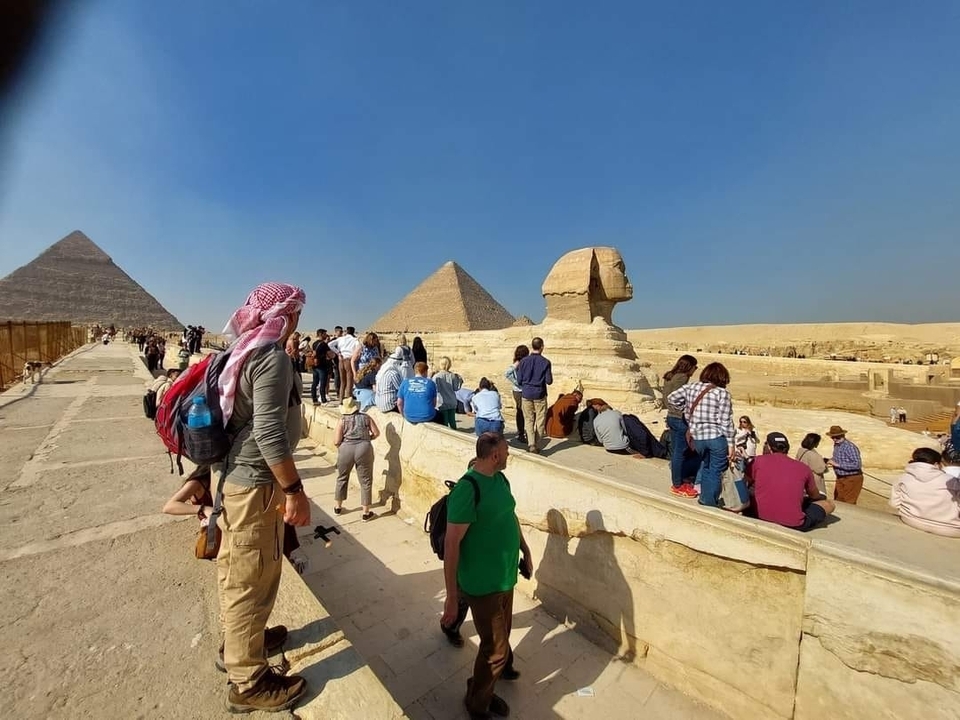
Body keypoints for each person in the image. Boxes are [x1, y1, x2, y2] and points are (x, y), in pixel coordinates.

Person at [215, 282, 311, 714]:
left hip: (236, 478)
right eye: (297, 313)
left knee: (240, 570)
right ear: (287, 315)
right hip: (256, 485)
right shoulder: (270, 358)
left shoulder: (240, 350)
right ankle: (248, 680)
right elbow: (270, 433)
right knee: (251, 575)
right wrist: (294, 490)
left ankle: (242, 642)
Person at [442, 433, 532, 720]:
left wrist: (525, 550)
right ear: (494, 456)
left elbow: (510, 515)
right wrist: (452, 598)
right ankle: (476, 702)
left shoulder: (500, 480)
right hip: (482, 584)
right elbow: (452, 545)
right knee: (495, 650)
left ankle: (486, 681)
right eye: (506, 452)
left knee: (500, 638)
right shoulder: (468, 489)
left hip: (505, 576)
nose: (508, 456)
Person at [667, 362, 735, 507]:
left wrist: (686, 411)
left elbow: (671, 398)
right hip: (716, 437)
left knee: (705, 465)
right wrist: (731, 444)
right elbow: (726, 420)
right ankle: (708, 502)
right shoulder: (722, 393)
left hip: (697, 438)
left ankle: (704, 496)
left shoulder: (691, 387)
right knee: (715, 471)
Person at [746, 432, 835, 532]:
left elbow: (747, 481)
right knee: (829, 504)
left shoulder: (757, 461)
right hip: (794, 523)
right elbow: (814, 495)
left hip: (760, 514)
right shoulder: (803, 468)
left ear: (770, 448)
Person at [889, 447, 960, 538]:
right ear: (936, 464)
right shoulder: (952, 481)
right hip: (950, 529)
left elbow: (894, 504)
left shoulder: (903, 478)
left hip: (910, 520)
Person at [333, 397, 381, 521]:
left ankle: (338, 507)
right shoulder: (366, 418)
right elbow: (376, 433)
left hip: (346, 448)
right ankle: (366, 512)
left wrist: (342, 446)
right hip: (364, 448)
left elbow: (336, 441)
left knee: (342, 477)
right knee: (365, 480)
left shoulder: (342, 420)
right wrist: (366, 439)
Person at [661, 354, 700, 497]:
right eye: (695, 367)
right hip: (679, 418)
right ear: (689, 366)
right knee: (680, 452)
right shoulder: (682, 378)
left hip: (671, 416)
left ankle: (679, 478)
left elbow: (667, 398)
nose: (695, 370)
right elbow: (677, 399)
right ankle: (677, 484)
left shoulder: (669, 376)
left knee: (679, 451)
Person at [516, 337, 552, 454]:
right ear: (542, 346)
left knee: (529, 420)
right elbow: (549, 381)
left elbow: (519, 380)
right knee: (540, 421)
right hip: (540, 395)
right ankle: (535, 444)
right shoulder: (546, 362)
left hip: (526, 394)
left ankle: (531, 444)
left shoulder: (523, 361)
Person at [825, 425, 863, 504]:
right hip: (840, 478)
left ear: (842, 435)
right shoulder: (837, 445)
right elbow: (838, 458)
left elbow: (857, 464)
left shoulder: (850, 447)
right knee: (838, 501)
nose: (834, 439)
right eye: (833, 437)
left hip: (851, 478)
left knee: (848, 503)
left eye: (837, 437)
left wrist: (837, 464)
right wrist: (829, 460)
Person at [504, 345, 529, 445]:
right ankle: (521, 433)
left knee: (527, 412)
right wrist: (517, 382)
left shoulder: (525, 363)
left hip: (525, 390)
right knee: (521, 411)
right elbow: (507, 373)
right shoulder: (517, 364)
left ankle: (526, 432)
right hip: (518, 391)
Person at [432, 357, 463, 430]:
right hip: (452, 400)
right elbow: (456, 388)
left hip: (442, 401)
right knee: (452, 422)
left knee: (444, 422)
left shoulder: (437, 376)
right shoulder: (453, 375)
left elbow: (435, 389)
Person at [374, 348, 405, 413]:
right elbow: (400, 390)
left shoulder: (382, 371)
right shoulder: (393, 373)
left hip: (379, 403)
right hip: (389, 405)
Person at [310, 329, 333, 405]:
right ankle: (323, 400)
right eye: (324, 334)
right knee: (323, 383)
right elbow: (330, 354)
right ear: (321, 334)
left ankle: (314, 399)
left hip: (315, 365)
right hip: (322, 366)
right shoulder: (323, 344)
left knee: (315, 383)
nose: (326, 335)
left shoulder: (314, 343)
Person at [336, 326, 360, 401]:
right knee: (349, 383)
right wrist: (355, 355)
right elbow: (359, 348)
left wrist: (338, 353)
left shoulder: (341, 339)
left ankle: (340, 400)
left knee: (342, 382)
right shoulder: (355, 340)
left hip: (341, 360)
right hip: (349, 361)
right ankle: (348, 402)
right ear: (353, 332)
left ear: (346, 331)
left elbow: (330, 345)